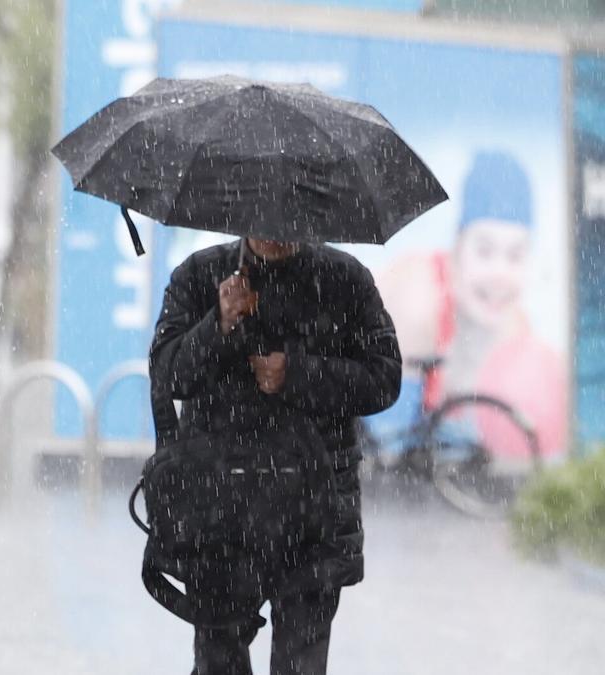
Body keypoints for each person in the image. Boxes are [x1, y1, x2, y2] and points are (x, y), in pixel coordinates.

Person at [150, 236, 402, 675]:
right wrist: (220, 322)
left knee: (301, 666)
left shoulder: (343, 278)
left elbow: (384, 378)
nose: (271, 224)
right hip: (218, 513)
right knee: (218, 663)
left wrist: (298, 373)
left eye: (284, 214)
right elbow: (169, 376)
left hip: (314, 514)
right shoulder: (200, 274)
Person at [373, 150, 566, 460]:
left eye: (515, 256)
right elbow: (386, 450)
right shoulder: (417, 301)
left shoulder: (512, 327)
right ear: (458, 248)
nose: (499, 275)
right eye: (485, 251)